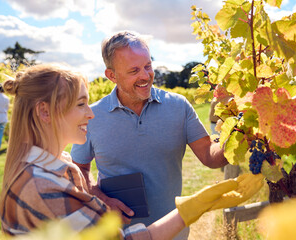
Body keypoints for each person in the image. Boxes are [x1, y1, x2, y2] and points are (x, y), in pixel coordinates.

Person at [0, 64, 264, 239]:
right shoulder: (42, 186)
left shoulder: (56, 164)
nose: (90, 114)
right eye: (80, 104)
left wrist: (242, 134)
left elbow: (210, 156)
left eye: (148, 65)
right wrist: (194, 206)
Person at [70, 30, 229, 239]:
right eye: (134, 70)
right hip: (118, 235)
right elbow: (78, 169)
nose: (145, 76)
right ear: (111, 75)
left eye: (148, 66)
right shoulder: (92, 116)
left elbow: (209, 155)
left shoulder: (178, 106)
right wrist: (102, 199)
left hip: (174, 231)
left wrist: (238, 136)